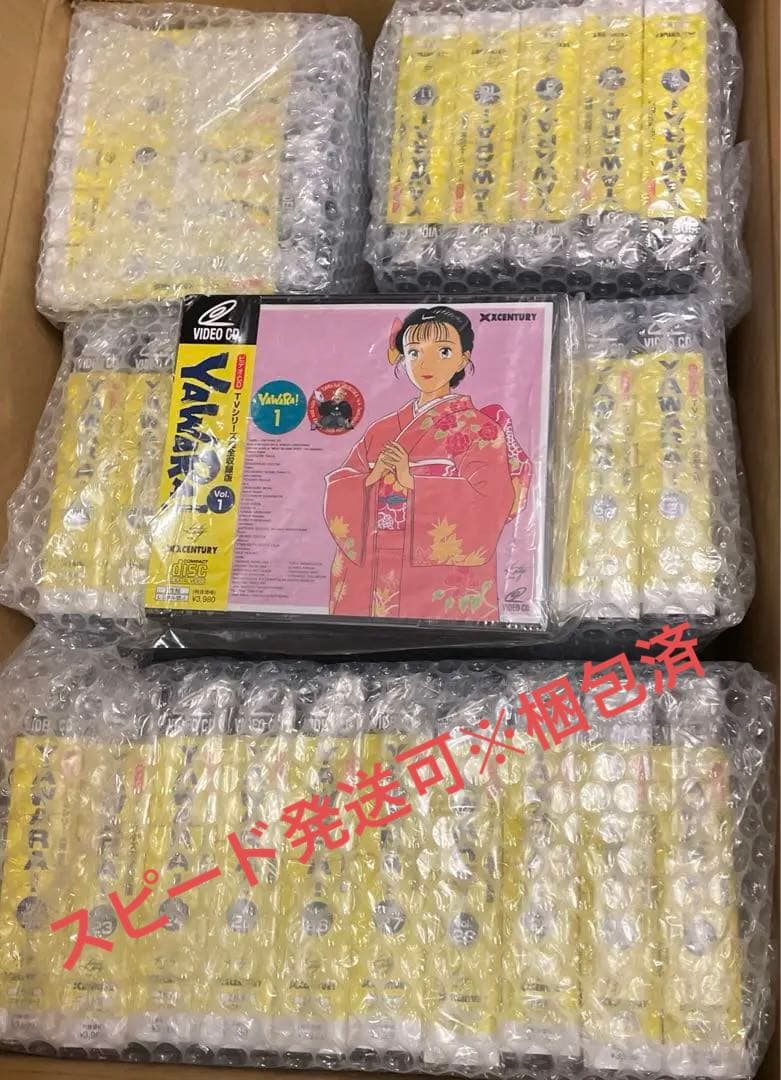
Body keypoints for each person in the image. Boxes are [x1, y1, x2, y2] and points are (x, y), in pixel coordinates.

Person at [323, 305, 531, 621]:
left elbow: (492, 503)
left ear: (463, 358)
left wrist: (411, 481)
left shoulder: (481, 430)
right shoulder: (381, 429)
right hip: (373, 571)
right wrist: (372, 477)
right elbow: (343, 484)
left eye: (443, 351)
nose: (425, 363)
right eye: (414, 352)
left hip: (437, 578)